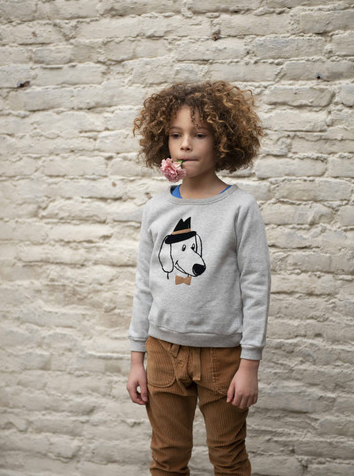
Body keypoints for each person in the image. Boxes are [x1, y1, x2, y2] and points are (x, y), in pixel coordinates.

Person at [126, 80, 271, 476]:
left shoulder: (240, 208)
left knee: (228, 458)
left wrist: (249, 364)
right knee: (167, 458)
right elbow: (145, 285)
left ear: (223, 141)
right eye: (176, 135)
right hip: (162, 352)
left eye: (199, 134)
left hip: (223, 357)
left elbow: (256, 288)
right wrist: (137, 358)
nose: (185, 145)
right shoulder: (156, 209)